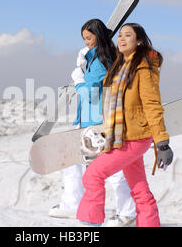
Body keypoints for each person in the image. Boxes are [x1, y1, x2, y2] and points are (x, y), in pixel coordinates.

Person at [76, 23, 174, 227]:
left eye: (128, 35)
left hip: (134, 138)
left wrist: (162, 143)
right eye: (120, 35)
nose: (122, 39)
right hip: (121, 136)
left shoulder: (144, 68)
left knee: (93, 175)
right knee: (139, 189)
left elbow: (152, 105)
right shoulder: (119, 66)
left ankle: (88, 226)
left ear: (138, 41)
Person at [48, 19, 137, 227]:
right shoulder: (97, 57)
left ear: (98, 36)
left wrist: (79, 78)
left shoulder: (100, 59)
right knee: (73, 162)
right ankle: (72, 205)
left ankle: (128, 212)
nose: (86, 42)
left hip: (99, 122)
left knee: (111, 168)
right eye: (84, 39)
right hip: (89, 120)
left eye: (89, 38)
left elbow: (90, 92)